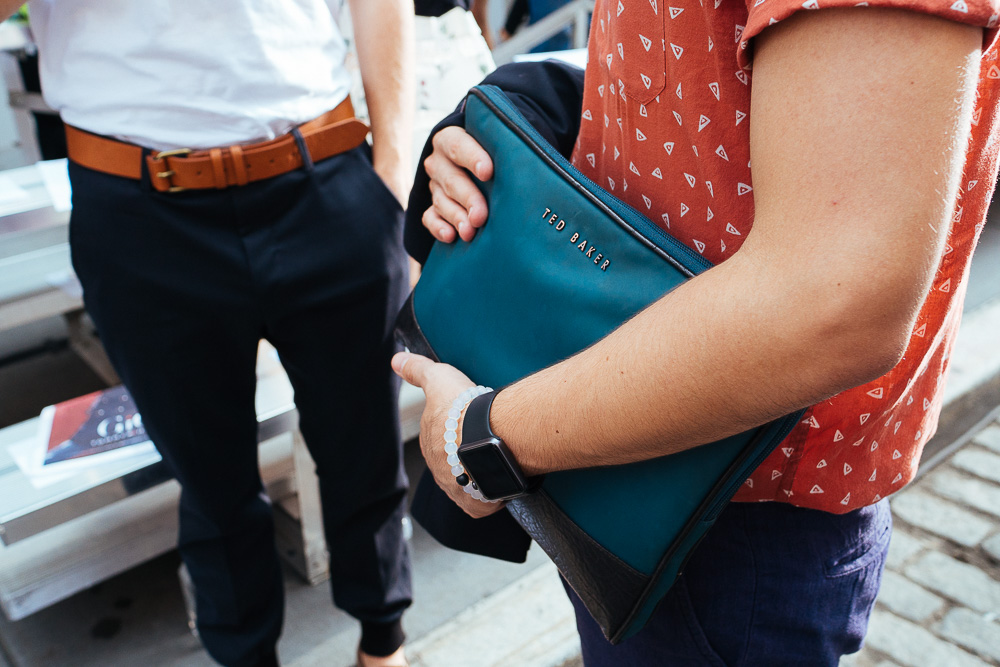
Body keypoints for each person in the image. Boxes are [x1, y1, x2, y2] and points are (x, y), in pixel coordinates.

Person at [396, 0, 1000, 663]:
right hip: (646, 452)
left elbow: (834, 304)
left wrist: (484, 439)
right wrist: (529, 106)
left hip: (724, 508)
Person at [6, 1, 415, 665]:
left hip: (324, 170)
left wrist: (392, 165)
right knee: (211, 481)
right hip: (139, 204)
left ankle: (384, 642)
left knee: (364, 445)